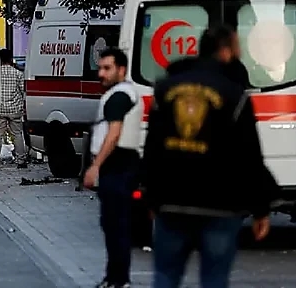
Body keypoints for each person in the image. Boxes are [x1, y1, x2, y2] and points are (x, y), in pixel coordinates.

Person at [141, 25, 277, 288]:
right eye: (237, 48)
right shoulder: (235, 95)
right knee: (214, 279)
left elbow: (153, 148)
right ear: (225, 51)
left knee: (166, 276)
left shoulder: (165, 90)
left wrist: (149, 195)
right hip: (220, 205)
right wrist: (261, 208)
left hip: (172, 201)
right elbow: (249, 156)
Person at [82, 48, 143, 288]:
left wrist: (95, 166)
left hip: (118, 166)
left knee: (116, 225)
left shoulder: (119, 95)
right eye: (100, 68)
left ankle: (118, 280)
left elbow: (114, 133)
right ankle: (114, 278)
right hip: (119, 166)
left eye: (107, 68)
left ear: (121, 70)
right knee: (113, 224)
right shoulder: (120, 94)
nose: (101, 73)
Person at [0, 49, 28, 170]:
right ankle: (21, 160)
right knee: (17, 134)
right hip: (15, 109)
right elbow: (23, 92)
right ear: (11, 59)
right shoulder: (18, 74)